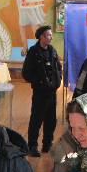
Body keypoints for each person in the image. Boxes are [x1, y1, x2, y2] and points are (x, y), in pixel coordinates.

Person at [21, 25, 62, 157]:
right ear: (41, 37)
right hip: (40, 93)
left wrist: (58, 79)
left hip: (52, 93)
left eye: (51, 35)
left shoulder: (52, 50)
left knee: (51, 120)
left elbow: (58, 67)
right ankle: (32, 146)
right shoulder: (34, 52)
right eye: (48, 35)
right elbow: (26, 73)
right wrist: (39, 82)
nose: (51, 37)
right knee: (36, 120)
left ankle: (47, 144)